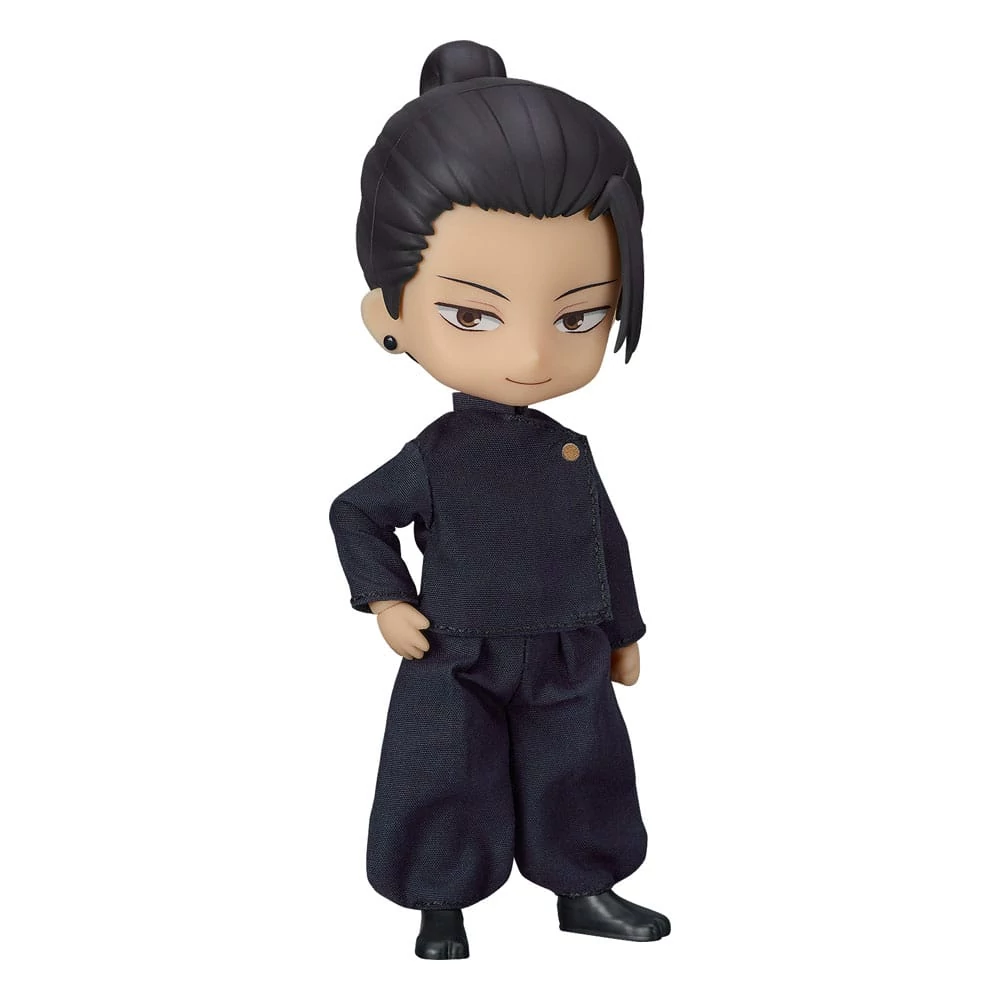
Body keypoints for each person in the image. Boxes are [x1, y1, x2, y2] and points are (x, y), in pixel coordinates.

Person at [329, 39, 669, 960]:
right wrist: (387, 599)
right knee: (442, 770)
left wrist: (624, 629)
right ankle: (440, 900)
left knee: (583, 766)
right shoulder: (435, 456)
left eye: (578, 315)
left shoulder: (569, 449)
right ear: (388, 315)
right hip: (457, 647)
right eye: (473, 314)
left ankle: (585, 886)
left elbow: (604, 541)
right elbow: (356, 511)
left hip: (567, 642)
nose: (531, 354)